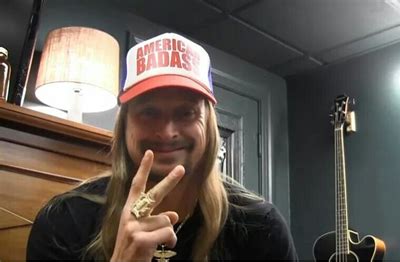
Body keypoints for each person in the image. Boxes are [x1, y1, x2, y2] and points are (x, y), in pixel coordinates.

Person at [26, 32, 298, 261]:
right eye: (149, 112)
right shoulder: (64, 222)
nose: (167, 132)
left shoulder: (261, 227)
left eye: (186, 113)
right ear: (125, 125)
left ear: (208, 124)